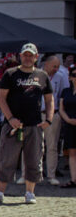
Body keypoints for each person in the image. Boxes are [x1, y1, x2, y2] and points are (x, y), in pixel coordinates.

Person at [0, 43, 53, 204]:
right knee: (6, 158)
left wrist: (48, 120)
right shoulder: (10, 74)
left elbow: (50, 100)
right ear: (20, 56)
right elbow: (1, 98)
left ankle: (30, 193)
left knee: (34, 159)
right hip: (13, 125)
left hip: (34, 125)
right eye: (25, 55)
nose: (28, 58)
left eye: (31, 55)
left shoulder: (42, 75)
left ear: (36, 57)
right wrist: (10, 118)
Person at [42, 54, 65, 185]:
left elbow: (62, 94)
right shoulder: (36, 74)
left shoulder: (60, 77)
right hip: (36, 114)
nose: (56, 69)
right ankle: (27, 174)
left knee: (52, 146)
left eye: (58, 66)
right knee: (32, 145)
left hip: (52, 113)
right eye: (54, 66)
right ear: (47, 64)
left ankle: (51, 175)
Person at [58, 65, 76, 187]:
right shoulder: (66, 91)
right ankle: (74, 179)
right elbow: (61, 108)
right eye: (74, 75)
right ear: (70, 77)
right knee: (72, 152)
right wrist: (68, 120)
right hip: (70, 124)